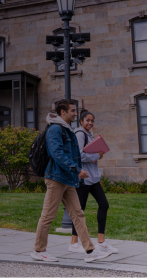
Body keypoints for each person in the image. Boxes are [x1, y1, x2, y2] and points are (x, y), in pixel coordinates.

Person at [31, 100, 114, 263]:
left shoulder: (66, 129)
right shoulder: (55, 129)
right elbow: (57, 153)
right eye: (73, 111)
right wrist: (76, 169)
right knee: (48, 215)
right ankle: (38, 250)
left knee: (78, 214)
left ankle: (90, 251)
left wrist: (74, 173)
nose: (76, 114)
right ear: (63, 112)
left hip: (67, 178)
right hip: (56, 178)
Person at [69, 111, 118, 254]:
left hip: (93, 178)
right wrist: (97, 155)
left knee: (104, 204)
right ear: (81, 121)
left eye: (92, 121)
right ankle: (73, 243)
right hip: (83, 178)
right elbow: (77, 155)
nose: (90, 123)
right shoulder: (79, 134)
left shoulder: (89, 134)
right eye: (87, 120)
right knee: (80, 210)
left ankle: (101, 242)